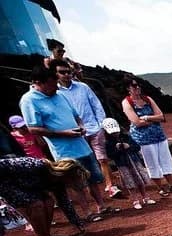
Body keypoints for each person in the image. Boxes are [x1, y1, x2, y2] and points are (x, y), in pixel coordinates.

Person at [19, 65, 110, 222]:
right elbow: (33, 128)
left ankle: (101, 206)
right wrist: (61, 134)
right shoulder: (29, 100)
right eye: (51, 85)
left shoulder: (59, 95)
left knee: (93, 177)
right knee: (76, 182)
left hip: (80, 142)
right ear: (38, 83)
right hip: (63, 149)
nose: (55, 88)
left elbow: (76, 115)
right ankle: (88, 212)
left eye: (55, 84)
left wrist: (81, 127)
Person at [53, 59, 122, 199]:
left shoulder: (83, 87)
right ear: (55, 74)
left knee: (102, 158)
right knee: (82, 164)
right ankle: (92, 194)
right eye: (62, 72)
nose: (66, 75)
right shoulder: (55, 93)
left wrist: (100, 124)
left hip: (93, 128)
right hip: (75, 133)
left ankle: (110, 187)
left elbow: (96, 105)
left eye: (68, 71)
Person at [0, 156, 87, 236]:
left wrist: (76, 222)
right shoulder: (37, 167)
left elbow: (64, 202)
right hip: (5, 182)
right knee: (36, 204)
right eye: (73, 178)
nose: (74, 182)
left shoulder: (58, 182)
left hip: (22, 186)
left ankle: (46, 235)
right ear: (66, 173)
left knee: (49, 202)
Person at [121, 77, 172, 196]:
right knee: (152, 162)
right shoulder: (127, 102)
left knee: (165, 159)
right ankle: (160, 187)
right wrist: (153, 119)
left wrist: (147, 118)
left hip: (159, 136)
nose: (137, 88)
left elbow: (161, 116)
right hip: (144, 139)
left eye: (138, 85)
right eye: (134, 86)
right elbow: (136, 122)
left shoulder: (148, 99)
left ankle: (171, 184)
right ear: (128, 88)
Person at [101, 118, 156, 210]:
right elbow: (111, 155)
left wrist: (128, 146)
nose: (115, 134)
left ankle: (145, 197)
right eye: (113, 133)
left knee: (140, 180)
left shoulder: (126, 137)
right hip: (123, 165)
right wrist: (117, 149)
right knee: (130, 182)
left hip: (134, 161)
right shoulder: (108, 143)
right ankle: (135, 200)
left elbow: (137, 147)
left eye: (116, 132)